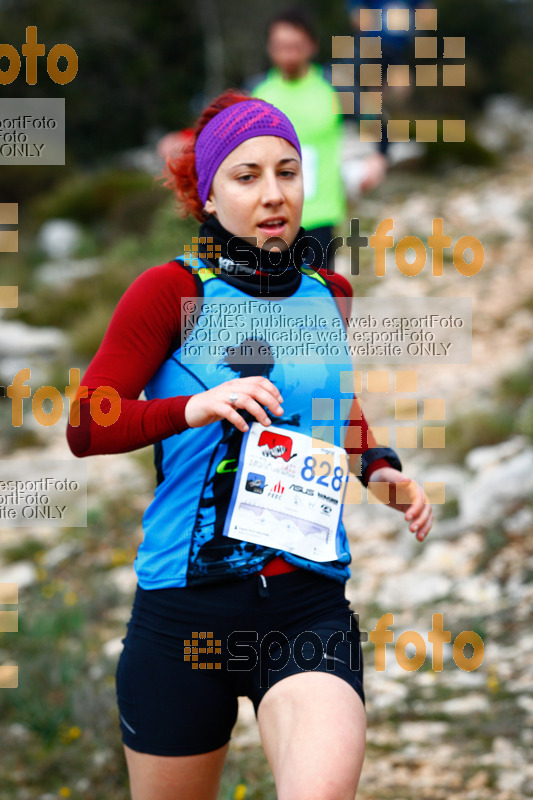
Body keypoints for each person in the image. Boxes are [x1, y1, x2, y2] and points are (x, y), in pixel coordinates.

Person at [67, 90, 433, 800]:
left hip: (306, 609)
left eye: (287, 172)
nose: (273, 194)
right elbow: (86, 425)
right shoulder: (171, 292)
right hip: (182, 616)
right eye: (246, 176)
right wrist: (193, 407)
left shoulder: (329, 292)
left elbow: (327, 399)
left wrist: (381, 468)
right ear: (207, 194)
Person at [250, 8, 388, 273]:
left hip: (319, 215)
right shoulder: (256, 92)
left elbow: (376, 122)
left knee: (316, 300)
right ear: (270, 48)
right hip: (267, 215)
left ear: (311, 46)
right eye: (280, 46)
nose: (288, 54)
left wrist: (377, 158)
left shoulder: (333, 85)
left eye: (295, 46)